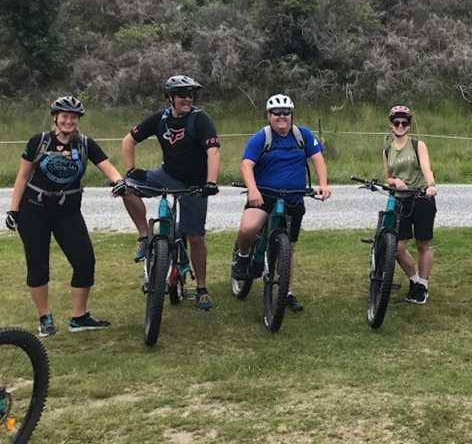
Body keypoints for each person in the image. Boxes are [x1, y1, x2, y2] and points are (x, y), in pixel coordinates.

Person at [5, 96, 126, 337]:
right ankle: (45, 318)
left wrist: (119, 181)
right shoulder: (38, 142)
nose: (69, 120)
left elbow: (106, 165)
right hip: (34, 209)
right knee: (38, 263)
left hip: (67, 211)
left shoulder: (84, 144)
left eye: (73, 117)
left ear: (78, 120)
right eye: (64, 116)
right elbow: (22, 177)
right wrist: (13, 209)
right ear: (55, 118)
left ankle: (79, 318)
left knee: (85, 261)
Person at [121, 75, 221, 311]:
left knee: (195, 237)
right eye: (181, 95)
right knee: (126, 187)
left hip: (195, 184)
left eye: (190, 95)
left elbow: (213, 151)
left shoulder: (200, 119)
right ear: (170, 98)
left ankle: (201, 288)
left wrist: (211, 182)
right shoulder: (161, 119)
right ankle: (145, 236)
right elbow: (128, 140)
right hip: (166, 175)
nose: (187, 99)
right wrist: (131, 170)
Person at [231, 94, 331, 312]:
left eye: (286, 113)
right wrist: (253, 190)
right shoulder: (261, 138)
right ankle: (243, 255)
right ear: (269, 116)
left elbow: (318, 159)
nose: (282, 117)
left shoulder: (302, 135)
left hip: (293, 196)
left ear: (291, 115)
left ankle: (286, 291)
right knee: (248, 228)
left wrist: (323, 184)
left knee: (287, 249)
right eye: (277, 113)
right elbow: (246, 165)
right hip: (264, 196)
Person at [382, 105, 437, 304]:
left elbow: (426, 168)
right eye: (396, 122)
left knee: (423, 244)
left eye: (404, 122)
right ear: (391, 125)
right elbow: (387, 177)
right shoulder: (387, 149)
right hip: (400, 200)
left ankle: (423, 285)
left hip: (421, 197)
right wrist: (395, 182)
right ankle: (414, 280)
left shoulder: (417, 145)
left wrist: (431, 185)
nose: (400, 125)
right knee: (397, 247)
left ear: (409, 125)